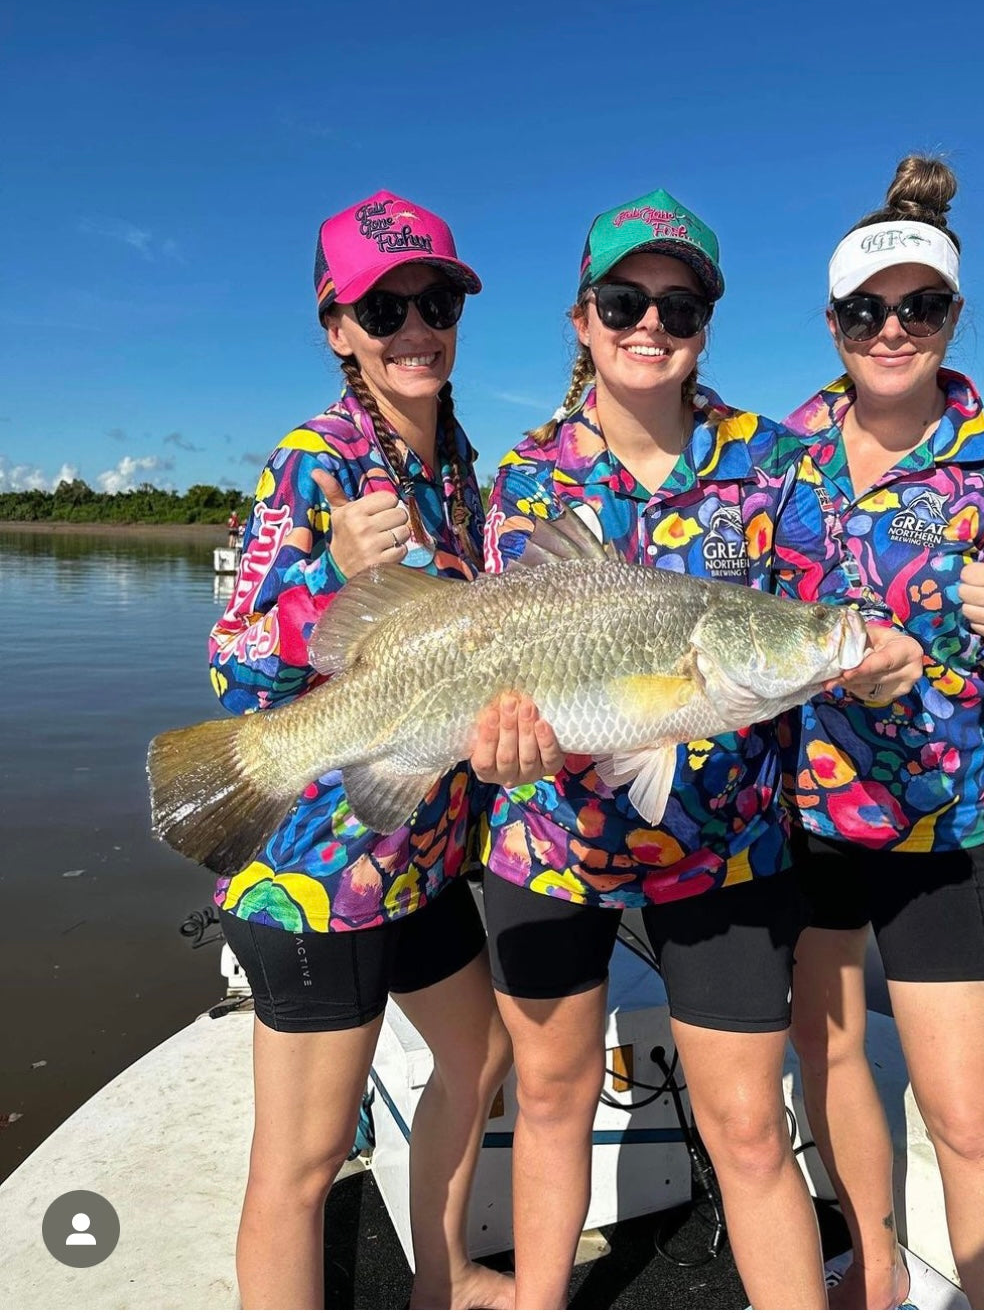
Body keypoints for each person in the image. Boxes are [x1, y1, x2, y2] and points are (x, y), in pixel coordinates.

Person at [471, 188, 925, 1311]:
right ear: (583, 318)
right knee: (548, 1101)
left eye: (680, 305)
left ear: (706, 325)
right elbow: (491, 651)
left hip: (724, 852)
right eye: (625, 299)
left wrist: (875, 654)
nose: (651, 324)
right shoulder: (528, 477)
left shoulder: (772, 464)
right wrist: (499, 747)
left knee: (747, 1129)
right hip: (549, 842)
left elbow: (835, 615)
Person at [780, 156, 984, 1310]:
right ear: (833, 322)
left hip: (945, 826)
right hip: (802, 815)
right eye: (867, 309)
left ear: (953, 315)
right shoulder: (776, 453)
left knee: (964, 1114)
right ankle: (877, 1264)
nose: (891, 329)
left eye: (919, 306)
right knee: (832, 1054)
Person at [209, 190, 513, 1312]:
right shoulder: (313, 463)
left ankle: (448, 1278)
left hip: (421, 850)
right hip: (315, 870)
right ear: (338, 328)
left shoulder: (458, 462)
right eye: (382, 308)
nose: (414, 326)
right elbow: (231, 659)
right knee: (300, 1162)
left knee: (480, 1060)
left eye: (435, 299)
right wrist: (321, 577)